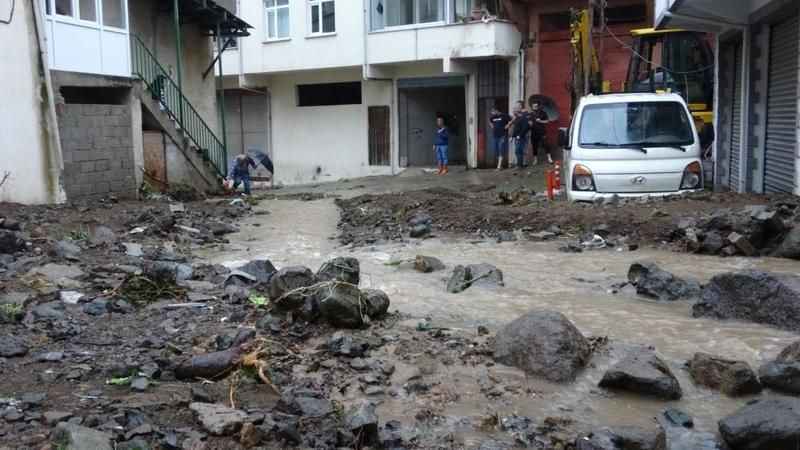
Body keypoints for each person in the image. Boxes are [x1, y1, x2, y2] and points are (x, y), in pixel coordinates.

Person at [509, 101, 530, 168]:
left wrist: (519, 135)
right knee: (517, 150)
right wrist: (512, 136)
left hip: (521, 136)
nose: (515, 109)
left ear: (521, 106)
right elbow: (515, 128)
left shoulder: (524, 115)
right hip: (517, 136)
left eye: (517, 106)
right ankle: (520, 164)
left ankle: (520, 165)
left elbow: (525, 127)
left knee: (519, 150)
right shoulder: (517, 117)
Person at [489, 106, 511, 170]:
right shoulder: (493, 117)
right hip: (495, 136)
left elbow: (512, 119)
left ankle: (499, 166)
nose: (492, 113)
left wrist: (508, 125)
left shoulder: (504, 115)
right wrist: (491, 125)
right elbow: (490, 121)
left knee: (501, 149)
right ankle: (500, 165)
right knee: (496, 150)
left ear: (497, 110)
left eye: (493, 111)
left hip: (503, 135)